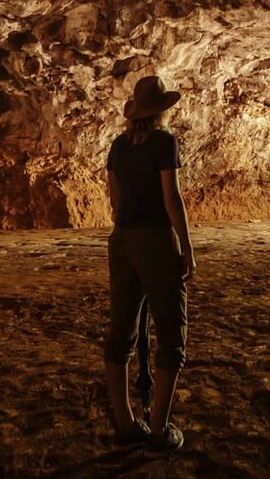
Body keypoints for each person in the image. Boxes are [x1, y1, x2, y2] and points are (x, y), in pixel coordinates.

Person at [104, 75, 196, 451]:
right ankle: (159, 429)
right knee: (172, 334)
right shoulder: (164, 142)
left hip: (122, 240)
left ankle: (126, 422)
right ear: (161, 113)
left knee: (120, 331)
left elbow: (114, 201)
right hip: (156, 239)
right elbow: (171, 197)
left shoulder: (117, 146)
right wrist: (187, 246)